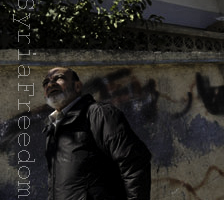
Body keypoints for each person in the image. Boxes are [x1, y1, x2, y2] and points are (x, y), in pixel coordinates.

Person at [42, 67, 152, 200]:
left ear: (77, 86)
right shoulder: (53, 126)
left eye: (58, 78)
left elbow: (134, 162)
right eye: (46, 82)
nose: (50, 84)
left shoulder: (98, 114)